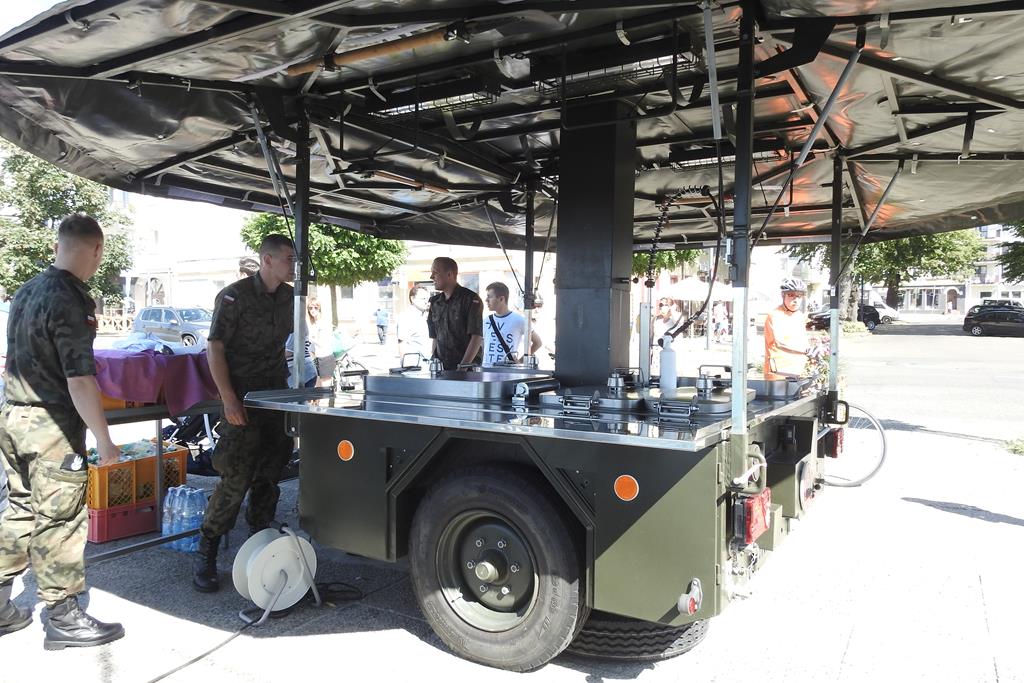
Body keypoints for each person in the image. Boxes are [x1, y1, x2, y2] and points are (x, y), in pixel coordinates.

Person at [0, 214, 124, 649]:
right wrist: (104, 439)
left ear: (57, 245)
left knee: (19, 509)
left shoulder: (26, 290)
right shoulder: (71, 298)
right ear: (97, 250)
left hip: (14, 417)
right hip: (51, 426)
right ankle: (64, 616)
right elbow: (80, 380)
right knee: (61, 518)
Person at [193, 234, 296, 593]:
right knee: (236, 477)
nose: (293, 265)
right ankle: (207, 549)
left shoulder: (289, 297)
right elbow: (215, 348)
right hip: (242, 396)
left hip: (274, 395)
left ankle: (260, 541)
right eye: (288, 258)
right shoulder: (234, 296)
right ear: (267, 260)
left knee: (270, 474)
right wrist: (229, 399)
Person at [427, 257, 483, 370]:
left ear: (449, 274)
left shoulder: (470, 299)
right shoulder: (435, 302)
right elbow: (435, 337)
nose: (431, 277)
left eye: (435, 272)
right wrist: (434, 364)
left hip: (467, 370)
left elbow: (476, 337)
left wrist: (463, 367)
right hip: (442, 369)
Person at [482, 282, 542, 366]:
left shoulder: (519, 320)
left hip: (507, 370)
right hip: (486, 369)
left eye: (490, 297)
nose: (486, 300)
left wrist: (520, 361)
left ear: (501, 299)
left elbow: (538, 342)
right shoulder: (486, 320)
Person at [764, 278, 810, 378]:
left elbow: (802, 340)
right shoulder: (775, 315)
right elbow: (780, 343)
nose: (795, 300)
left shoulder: (799, 316)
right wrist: (805, 351)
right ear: (783, 295)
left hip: (797, 370)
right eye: (791, 295)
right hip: (778, 372)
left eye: (799, 296)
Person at [396, 285, 431, 362]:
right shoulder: (406, 317)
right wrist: (405, 365)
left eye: (428, 299)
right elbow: (402, 343)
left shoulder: (424, 316)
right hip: (413, 364)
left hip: (426, 363)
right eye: (423, 299)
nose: (426, 302)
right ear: (412, 299)